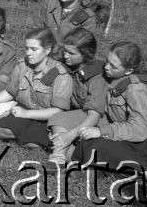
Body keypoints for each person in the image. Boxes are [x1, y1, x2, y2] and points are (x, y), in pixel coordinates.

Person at [0, 28, 72, 149]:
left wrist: (26, 114)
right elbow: (11, 91)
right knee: (9, 126)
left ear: (47, 49)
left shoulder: (59, 74)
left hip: (45, 120)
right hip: (21, 113)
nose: (28, 53)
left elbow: (58, 111)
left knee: (30, 138)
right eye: (27, 48)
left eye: (34, 49)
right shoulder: (22, 65)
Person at [70, 41, 147, 183]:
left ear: (129, 71)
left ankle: (145, 171)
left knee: (91, 144)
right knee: (86, 141)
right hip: (129, 133)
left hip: (145, 140)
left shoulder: (135, 88)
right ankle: (113, 172)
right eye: (107, 61)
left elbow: (141, 128)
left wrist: (102, 131)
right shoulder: (114, 78)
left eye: (113, 66)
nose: (107, 67)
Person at [45, 28, 108, 170]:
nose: (66, 56)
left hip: (99, 117)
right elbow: (45, 81)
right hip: (79, 114)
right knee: (57, 123)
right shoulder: (68, 66)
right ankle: (71, 158)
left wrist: (70, 135)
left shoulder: (96, 77)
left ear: (86, 55)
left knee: (58, 119)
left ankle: (58, 156)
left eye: (71, 53)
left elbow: (95, 115)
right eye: (65, 51)